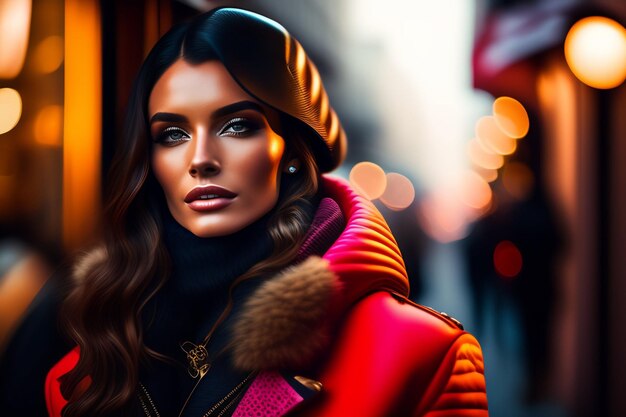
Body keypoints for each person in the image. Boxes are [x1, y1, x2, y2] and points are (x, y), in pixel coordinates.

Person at [45, 7, 488, 417]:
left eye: (237, 125)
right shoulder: (88, 361)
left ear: (292, 148)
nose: (200, 158)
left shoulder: (424, 356)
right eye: (173, 134)